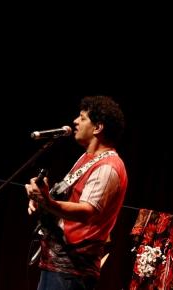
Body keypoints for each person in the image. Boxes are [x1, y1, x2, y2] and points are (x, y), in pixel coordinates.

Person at [25, 95, 127, 290]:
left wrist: (49, 203)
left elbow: (86, 211)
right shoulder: (87, 158)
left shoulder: (108, 167)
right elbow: (66, 199)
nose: (75, 121)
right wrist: (41, 199)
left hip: (72, 270)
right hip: (57, 263)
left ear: (97, 127)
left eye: (82, 117)